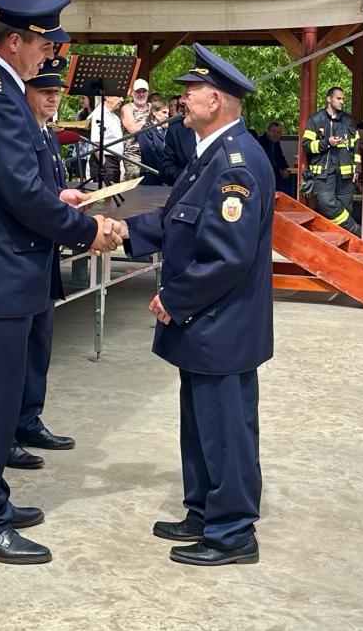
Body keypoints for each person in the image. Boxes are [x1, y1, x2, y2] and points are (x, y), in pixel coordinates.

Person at [0, 0, 122, 566]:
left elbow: (11, 182)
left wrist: (56, 197)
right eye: (43, 45)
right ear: (15, 41)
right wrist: (86, 230)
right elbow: (16, 191)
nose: (48, 56)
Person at [118, 43, 274, 567]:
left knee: (226, 427)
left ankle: (233, 533)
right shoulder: (208, 153)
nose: (182, 99)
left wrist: (173, 298)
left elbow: (228, 257)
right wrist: (120, 231)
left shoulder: (235, 164)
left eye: (192, 91)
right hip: (208, 323)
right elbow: (175, 220)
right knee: (202, 421)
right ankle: (205, 510)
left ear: (217, 101)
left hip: (221, 322)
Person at [6, 57, 78, 471]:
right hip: (21, 254)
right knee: (14, 352)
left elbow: (47, 189)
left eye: (56, 92)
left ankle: (28, 420)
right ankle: (6, 435)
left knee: (38, 344)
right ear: (26, 92)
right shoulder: (20, 132)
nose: (52, 98)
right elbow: (23, 195)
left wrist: (64, 198)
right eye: (44, 91)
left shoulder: (47, 134)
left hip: (43, 251)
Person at [302, 87, 361, 235]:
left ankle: (344, 241)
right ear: (329, 99)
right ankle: (355, 230)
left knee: (346, 206)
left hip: (345, 172)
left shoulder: (348, 121)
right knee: (325, 202)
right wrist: (326, 143)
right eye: (338, 98)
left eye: (343, 99)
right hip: (324, 171)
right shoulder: (315, 120)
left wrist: (357, 168)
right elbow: (307, 145)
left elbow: (356, 147)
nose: (342, 102)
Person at [89, 95, 124, 184]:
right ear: (107, 97)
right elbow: (95, 142)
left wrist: (121, 164)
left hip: (115, 160)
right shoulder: (99, 114)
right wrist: (104, 164)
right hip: (104, 159)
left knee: (114, 190)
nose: (122, 99)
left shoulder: (115, 117)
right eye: (118, 96)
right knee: (105, 189)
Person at [159, 98, 196, 184]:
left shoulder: (223, 130)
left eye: (189, 95)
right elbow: (165, 169)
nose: (182, 100)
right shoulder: (175, 130)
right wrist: (190, 176)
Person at [120, 78, 150, 180]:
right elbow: (133, 129)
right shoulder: (127, 108)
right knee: (133, 182)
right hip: (133, 153)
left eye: (143, 91)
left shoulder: (153, 107)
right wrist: (151, 124)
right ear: (133, 93)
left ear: (148, 93)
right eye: (138, 91)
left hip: (151, 152)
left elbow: (165, 124)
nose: (141, 94)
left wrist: (140, 124)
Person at [137, 98, 169, 185]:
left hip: (163, 174)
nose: (167, 116)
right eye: (164, 112)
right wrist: (163, 172)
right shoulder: (146, 130)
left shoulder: (164, 131)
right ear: (154, 112)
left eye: (168, 113)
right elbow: (149, 155)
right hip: (150, 175)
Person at [258, 121, 293, 195]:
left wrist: (285, 168)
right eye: (273, 131)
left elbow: (280, 158)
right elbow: (269, 162)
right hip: (266, 176)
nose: (275, 135)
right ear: (267, 131)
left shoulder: (276, 143)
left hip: (275, 175)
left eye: (278, 132)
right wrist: (280, 170)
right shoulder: (262, 143)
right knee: (287, 189)